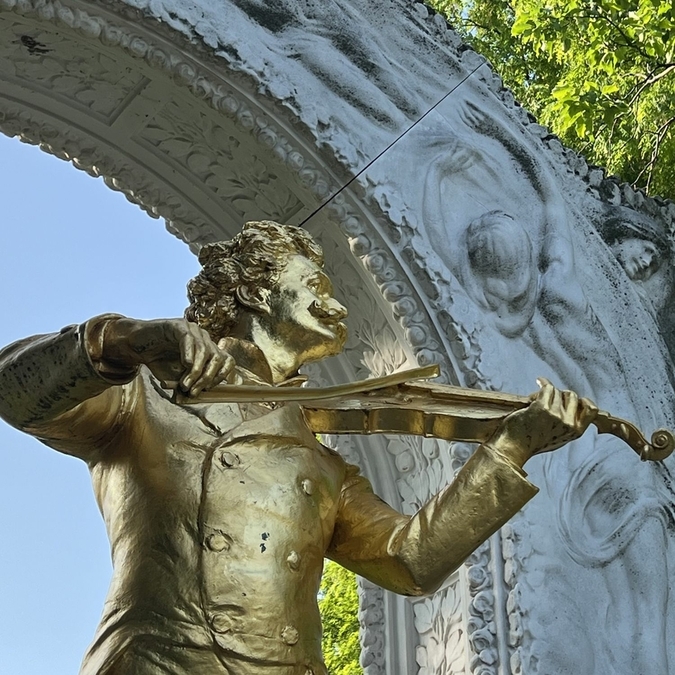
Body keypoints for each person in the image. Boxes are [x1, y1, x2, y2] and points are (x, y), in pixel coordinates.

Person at [0, 220, 595, 675]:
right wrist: (124, 340)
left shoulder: (322, 463)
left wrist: (509, 449)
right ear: (256, 293)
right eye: (314, 286)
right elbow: (14, 392)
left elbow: (410, 560)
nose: (337, 306)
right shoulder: (141, 399)